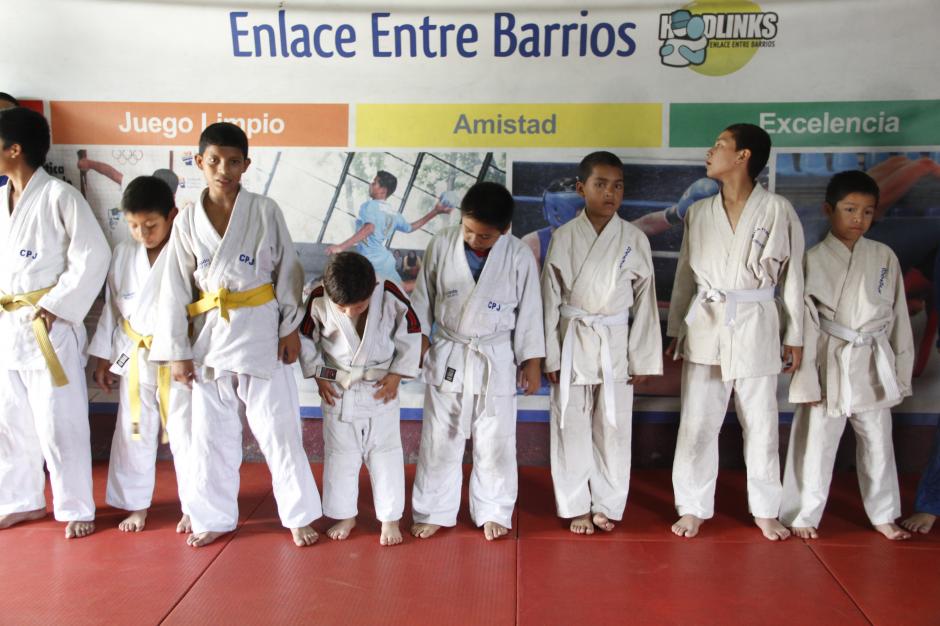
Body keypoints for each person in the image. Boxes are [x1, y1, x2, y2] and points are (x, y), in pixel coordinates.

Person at [150, 122, 321, 548]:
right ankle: (213, 515)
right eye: (213, 161)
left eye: (232, 161)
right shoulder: (188, 219)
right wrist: (176, 352)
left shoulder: (265, 210)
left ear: (246, 165)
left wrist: (290, 328)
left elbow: (289, 272)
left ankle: (298, 514)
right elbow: (174, 287)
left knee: (279, 431)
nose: (223, 169)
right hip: (209, 339)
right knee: (211, 437)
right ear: (198, 162)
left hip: (262, 332)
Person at [667, 123, 804, 541]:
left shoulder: (777, 209)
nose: (710, 153)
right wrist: (677, 328)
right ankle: (692, 506)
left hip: (756, 321)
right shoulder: (699, 213)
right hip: (706, 322)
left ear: (744, 156)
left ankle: (765, 510)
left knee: (761, 423)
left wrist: (794, 334)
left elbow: (794, 276)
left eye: (720, 146)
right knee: (697, 421)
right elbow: (684, 276)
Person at [783, 170, 914, 540]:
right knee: (817, 441)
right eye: (850, 209)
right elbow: (803, 323)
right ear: (829, 210)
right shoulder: (812, 258)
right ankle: (805, 513)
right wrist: (807, 374)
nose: (859, 219)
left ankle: (884, 514)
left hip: (872, 358)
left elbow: (899, 317)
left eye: (868, 212)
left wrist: (900, 370)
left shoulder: (883, 255)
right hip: (830, 361)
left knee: (877, 440)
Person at [410, 182, 544, 541]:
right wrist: (419, 344)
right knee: (440, 436)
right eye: (468, 230)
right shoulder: (441, 243)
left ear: (505, 230)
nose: (473, 239)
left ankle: (493, 509)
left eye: (484, 236)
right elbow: (423, 300)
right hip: (450, 350)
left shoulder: (518, 255)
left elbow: (531, 309)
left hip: (495, 355)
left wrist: (531, 360)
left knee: (496, 439)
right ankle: (434, 509)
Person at [0, 107, 110, 538]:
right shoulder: (2, 199)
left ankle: (75, 505)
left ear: (14, 149)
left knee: (58, 421)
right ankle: (21, 500)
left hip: (49, 328)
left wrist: (58, 305)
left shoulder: (61, 197)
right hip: (8, 328)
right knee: (10, 422)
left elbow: (94, 255)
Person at [542, 151, 662, 534]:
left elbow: (645, 301)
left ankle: (607, 503)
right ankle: (576, 505)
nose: (610, 193)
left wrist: (642, 358)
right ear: (581, 189)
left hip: (614, 340)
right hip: (573, 338)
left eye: (617, 185)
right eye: (600, 184)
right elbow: (549, 300)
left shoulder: (634, 238)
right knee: (570, 425)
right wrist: (551, 356)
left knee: (613, 426)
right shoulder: (563, 237)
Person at [88, 175, 193, 533]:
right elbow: (114, 311)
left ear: (172, 216)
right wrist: (104, 357)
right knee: (133, 431)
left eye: (150, 225)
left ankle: (196, 505)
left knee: (186, 433)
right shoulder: (122, 254)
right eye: (133, 226)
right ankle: (135, 504)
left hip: (175, 357)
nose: (142, 234)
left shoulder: (185, 252)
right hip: (133, 354)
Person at [299, 251, 421, 546]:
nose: (351, 312)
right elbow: (305, 340)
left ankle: (390, 519)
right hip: (338, 387)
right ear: (329, 292)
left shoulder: (389, 292)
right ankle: (345, 514)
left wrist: (397, 374)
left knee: (387, 453)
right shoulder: (317, 297)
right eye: (341, 308)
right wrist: (320, 375)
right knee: (340, 455)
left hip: (382, 386)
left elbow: (412, 333)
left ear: (373, 287)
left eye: (360, 306)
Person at [325, 171, 453, 282]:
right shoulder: (394, 213)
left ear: (383, 190)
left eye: (374, 183)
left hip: (371, 261)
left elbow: (369, 228)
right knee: (400, 287)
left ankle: (435, 278)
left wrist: (341, 247)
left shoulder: (370, 206)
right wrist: (435, 211)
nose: (371, 184)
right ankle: (433, 278)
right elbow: (410, 228)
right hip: (384, 260)